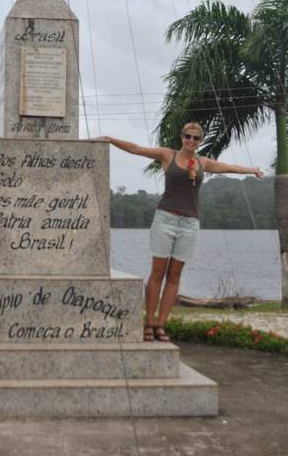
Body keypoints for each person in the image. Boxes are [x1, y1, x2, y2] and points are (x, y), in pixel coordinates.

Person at [97, 122, 265, 342]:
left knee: (174, 275)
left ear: (200, 141)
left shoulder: (203, 163)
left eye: (196, 138)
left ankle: (161, 325)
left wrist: (252, 170)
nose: (191, 141)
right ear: (181, 137)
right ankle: (149, 321)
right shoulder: (168, 155)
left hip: (190, 224)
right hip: (165, 219)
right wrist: (110, 139)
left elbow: (229, 167)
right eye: (188, 136)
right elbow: (136, 149)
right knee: (157, 273)